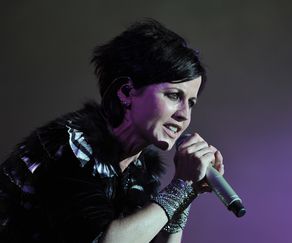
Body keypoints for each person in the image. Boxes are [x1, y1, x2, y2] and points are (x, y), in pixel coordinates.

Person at [0, 19, 224, 243]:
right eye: (174, 96)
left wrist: (187, 193)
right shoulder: (69, 147)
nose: (184, 114)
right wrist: (180, 186)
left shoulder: (141, 169)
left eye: (191, 102)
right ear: (126, 92)